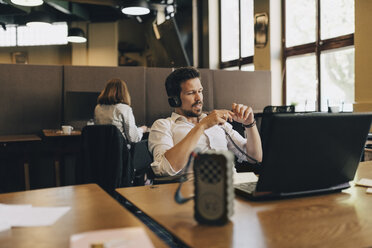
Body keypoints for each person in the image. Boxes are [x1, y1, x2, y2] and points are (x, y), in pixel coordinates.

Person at [148, 67, 263, 176]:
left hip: (232, 186)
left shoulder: (218, 123)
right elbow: (164, 169)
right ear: (175, 100)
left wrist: (250, 124)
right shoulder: (163, 126)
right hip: (195, 191)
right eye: (191, 93)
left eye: (200, 91)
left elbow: (254, 157)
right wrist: (201, 126)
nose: (199, 98)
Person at [94, 78, 148, 143]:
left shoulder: (98, 108)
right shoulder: (124, 109)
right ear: (124, 92)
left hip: (102, 149)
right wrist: (142, 129)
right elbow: (133, 138)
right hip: (120, 150)